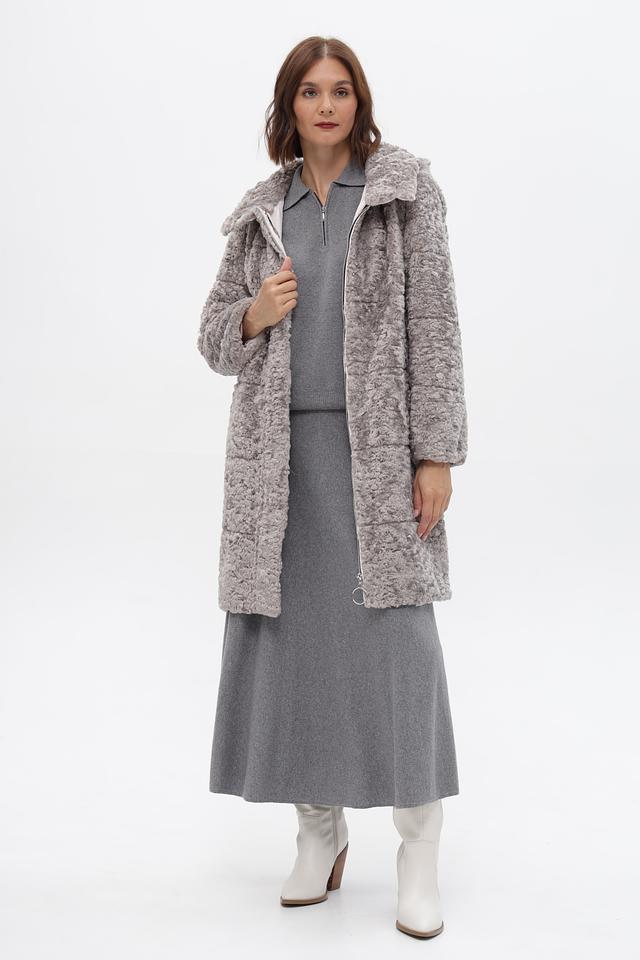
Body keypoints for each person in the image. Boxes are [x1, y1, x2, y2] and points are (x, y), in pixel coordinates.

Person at [197, 36, 468, 939]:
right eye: (309, 92)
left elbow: (436, 327)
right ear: (289, 106)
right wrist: (254, 313)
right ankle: (319, 833)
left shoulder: (402, 194)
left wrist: (436, 454)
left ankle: (418, 851)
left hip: (378, 457)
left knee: (400, 649)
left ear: (360, 102)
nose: (325, 106)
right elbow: (213, 339)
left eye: (340, 90)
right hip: (279, 462)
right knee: (296, 651)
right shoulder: (260, 213)